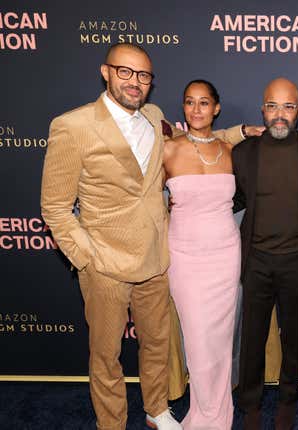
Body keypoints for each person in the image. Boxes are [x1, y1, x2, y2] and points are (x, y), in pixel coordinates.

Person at [41, 43, 182, 430]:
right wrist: (87, 258)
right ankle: (111, 424)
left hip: (155, 257)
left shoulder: (154, 116)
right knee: (106, 355)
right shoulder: (73, 126)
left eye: (143, 76)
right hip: (105, 264)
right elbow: (54, 206)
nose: (135, 83)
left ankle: (156, 409)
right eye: (125, 72)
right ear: (106, 72)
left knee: (156, 344)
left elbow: (194, 142)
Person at [232, 78, 298, 430]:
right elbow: (231, 200)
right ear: (263, 109)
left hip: (296, 261)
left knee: (293, 336)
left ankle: (288, 398)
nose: (280, 115)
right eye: (273, 106)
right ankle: (251, 404)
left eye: (288, 107)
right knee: (252, 337)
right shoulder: (241, 153)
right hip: (255, 260)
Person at [163, 79, 244, 429]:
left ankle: (216, 417)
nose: (196, 110)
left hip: (226, 254)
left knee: (221, 340)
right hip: (184, 256)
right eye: (189, 103)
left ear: (216, 108)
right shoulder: (166, 150)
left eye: (204, 103)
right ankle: (203, 415)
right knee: (196, 340)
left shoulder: (229, 150)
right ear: (183, 108)